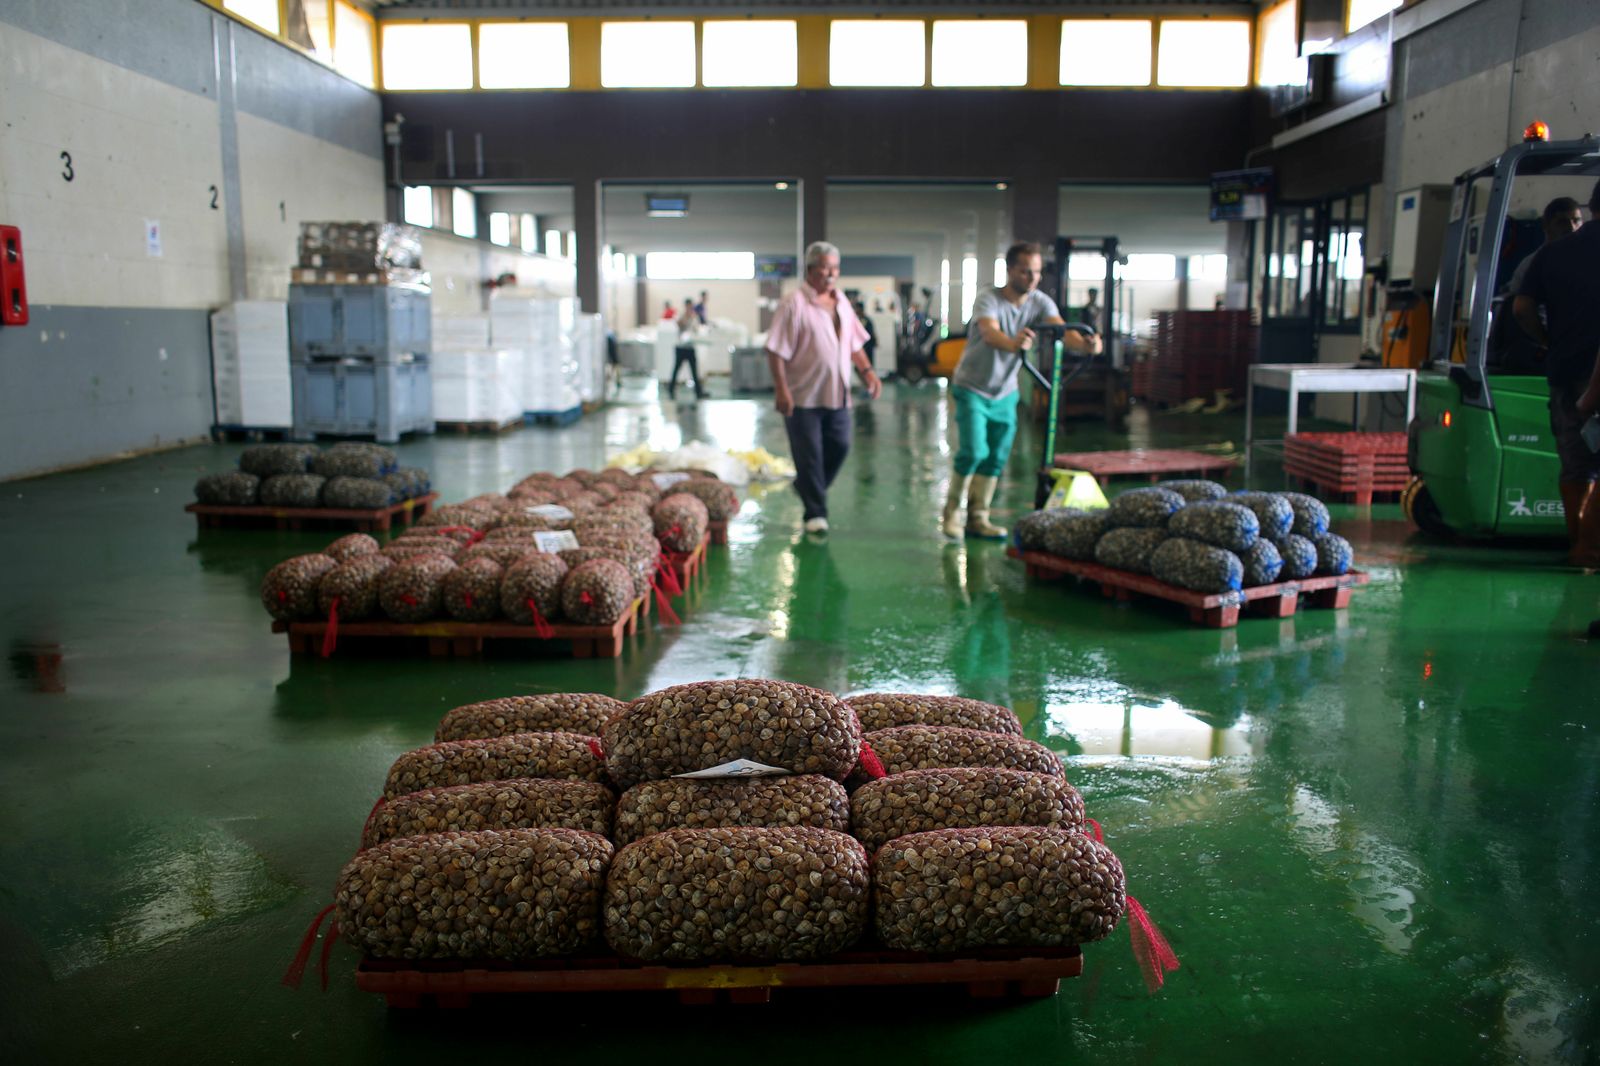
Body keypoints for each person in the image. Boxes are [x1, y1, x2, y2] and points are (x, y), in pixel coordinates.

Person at [943, 241, 1102, 540]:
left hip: (1005, 391)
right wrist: (1013, 343)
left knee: (997, 456)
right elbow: (990, 333)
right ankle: (951, 513)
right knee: (974, 450)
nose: (1032, 278)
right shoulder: (988, 299)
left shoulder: (1039, 302)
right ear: (1010, 271)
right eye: (1025, 271)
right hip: (973, 387)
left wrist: (1086, 344)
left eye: (1037, 272)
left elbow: (1060, 329)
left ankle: (978, 517)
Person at [765, 240, 882, 534]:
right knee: (810, 455)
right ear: (810, 270)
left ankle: (806, 485)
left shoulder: (841, 301)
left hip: (838, 394)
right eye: (824, 268)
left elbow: (854, 343)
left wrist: (867, 371)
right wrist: (782, 389)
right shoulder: (793, 303)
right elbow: (776, 350)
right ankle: (815, 514)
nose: (830, 274)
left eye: (834, 268)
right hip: (802, 396)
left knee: (840, 446)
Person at [1514, 180, 1600, 568]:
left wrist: (1548, 340)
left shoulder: (1549, 256)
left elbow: (1520, 308)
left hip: (1565, 369)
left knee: (1576, 462)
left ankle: (1580, 547)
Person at [669, 299, 705, 401]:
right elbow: (680, 325)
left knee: (694, 371)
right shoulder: (681, 316)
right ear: (685, 306)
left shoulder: (694, 317)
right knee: (676, 369)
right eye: (688, 306)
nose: (689, 308)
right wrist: (686, 317)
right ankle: (671, 389)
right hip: (681, 348)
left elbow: (696, 330)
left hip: (690, 348)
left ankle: (698, 392)